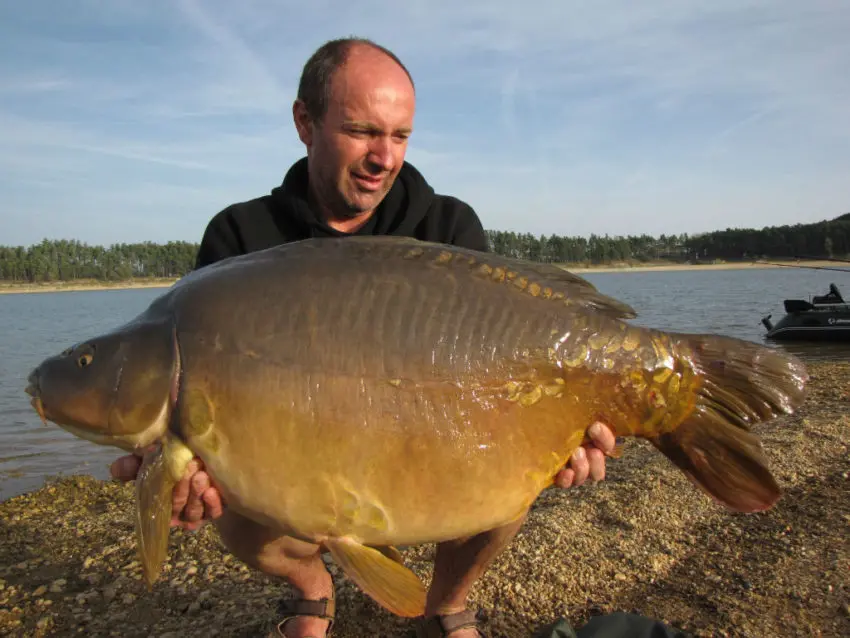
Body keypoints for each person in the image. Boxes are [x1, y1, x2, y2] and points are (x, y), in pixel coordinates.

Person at [110, 37, 617, 638]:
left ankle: (447, 605)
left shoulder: (448, 228)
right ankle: (313, 590)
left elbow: (502, 375)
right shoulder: (242, 237)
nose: (384, 156)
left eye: (399, 136)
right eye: (361, 131)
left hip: (423, 447)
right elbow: (195, 388)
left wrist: (566, 432)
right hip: (300, 467)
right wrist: (170, 460)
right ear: (305, 122)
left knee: (512, 485)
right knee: (229, 489)